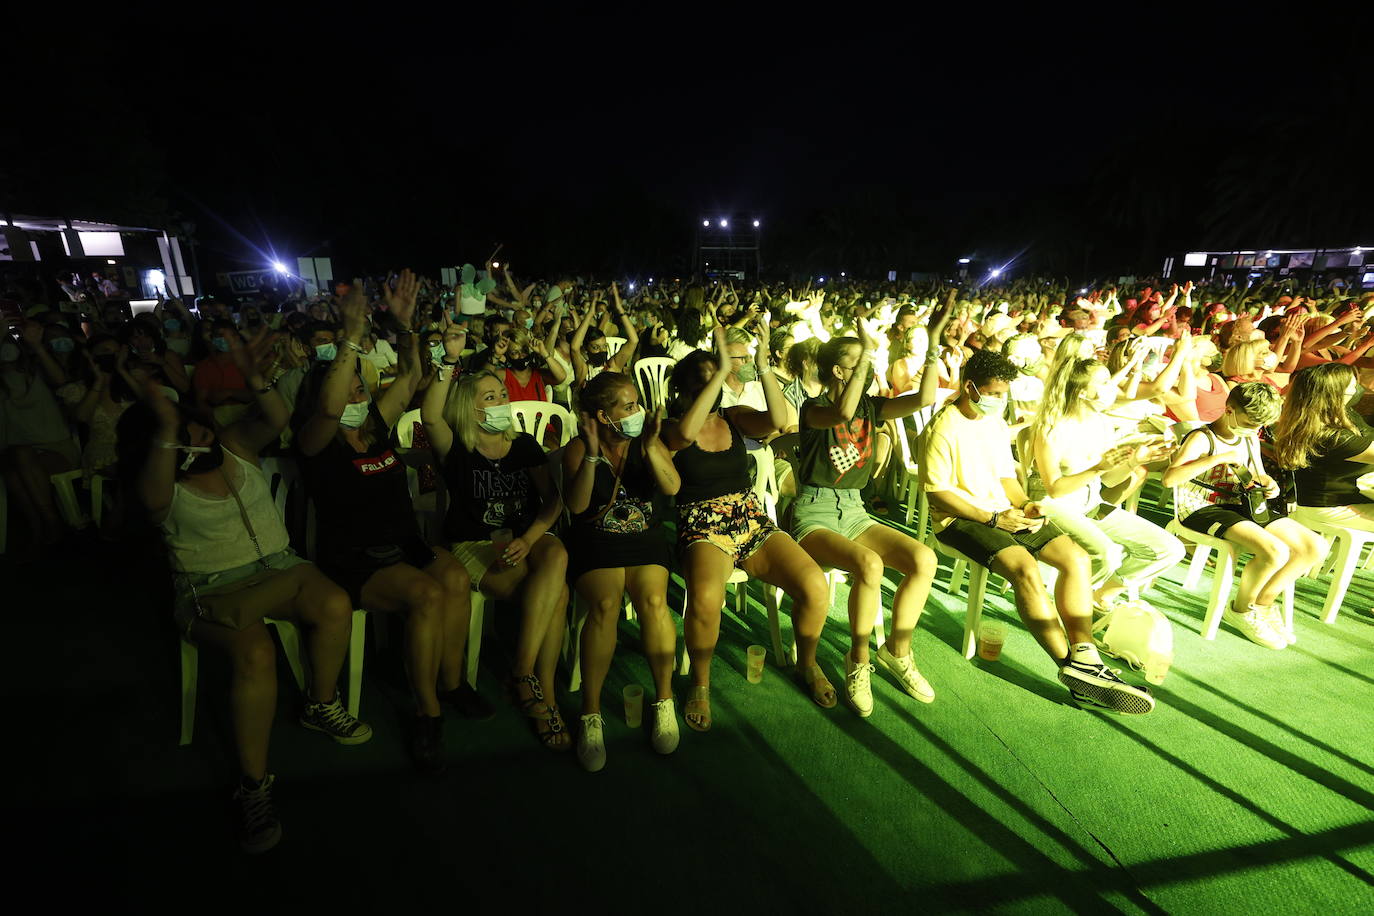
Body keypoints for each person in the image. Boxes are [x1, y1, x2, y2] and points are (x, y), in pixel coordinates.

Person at [115, 329, 370, 854]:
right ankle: (253, 786)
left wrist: (254, 375)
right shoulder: (160, 481)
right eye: (187, 433)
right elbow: (151, 499)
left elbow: (276, 419)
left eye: (198, 426)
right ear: (164, 442)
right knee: (255, 653)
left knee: (334, 601)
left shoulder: (233, 446)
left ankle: (320, 704)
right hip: (209, 587)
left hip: (276, 568)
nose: (201, 436)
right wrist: (167, 430)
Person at [294, 274, 475, 774]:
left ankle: (452, 682)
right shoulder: (315, 440)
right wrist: (350, 336)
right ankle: (427, 710)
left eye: (359, 387)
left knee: (455, 578)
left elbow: (414, 375)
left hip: (402, 543)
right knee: (427, 595)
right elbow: (330, 406)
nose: (358, 394)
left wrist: (403, 326)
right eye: (350, 387)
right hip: (355, 557)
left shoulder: (372, 425)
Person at [921, 348, 1155, 714]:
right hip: (959, 518)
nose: (1000, 401)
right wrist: (993, 519)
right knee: (1025, 569)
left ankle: (1085, 656)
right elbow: (938, 492)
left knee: (1075, 559)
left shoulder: (995, 423)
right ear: (970, 388)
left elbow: (1004, 477)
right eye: (994, 394)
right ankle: (1072, 668)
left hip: (1003, 510)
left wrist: (1025, 505)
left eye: (1003, 394)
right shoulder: (942, 427)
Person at [662, 320, 835, 731]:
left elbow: (780, 418)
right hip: (702, 524)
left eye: (720, 377)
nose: (719, 384)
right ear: (687, 392)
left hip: (751, 517)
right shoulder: (670, 427)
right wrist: (721, 369)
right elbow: (687, 434)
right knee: (705, 598)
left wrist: (761, 364)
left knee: (813, 583)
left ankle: (806, 664)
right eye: (708, 379)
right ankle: (700, 682)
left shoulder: (734, 417)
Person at [422, 340, 572, 751]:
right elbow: (428, 414)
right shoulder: (456, 447)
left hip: (524, 538)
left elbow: (553, 500)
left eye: (503, 394)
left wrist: (528, 539)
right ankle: (547, 699)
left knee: (556, 553)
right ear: (470, 409)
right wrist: (448, 360)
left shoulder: (522, 443)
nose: (503, 401)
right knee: (556, 595)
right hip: (474, 543)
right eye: (491, 397)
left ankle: (522, 674)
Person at [793, 317, 942, 717]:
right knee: (869, 565)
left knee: (924, 559)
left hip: (854, 510)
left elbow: (925, 398)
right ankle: (858, 660)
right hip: (814, 513)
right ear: (838, 371)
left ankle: (897, 651)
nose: (869, 364)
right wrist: (870, 351)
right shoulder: (815, 409)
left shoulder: (873, 408)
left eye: (869, 359)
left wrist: (935, 339)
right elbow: (842, 413)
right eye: (858, 360)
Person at [562, 371, 680, 771]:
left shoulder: (646, 441)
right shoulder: (578, 449)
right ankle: (590, 713)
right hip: (596, 540)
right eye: (627, 407)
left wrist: (649, 447)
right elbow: (577, 507)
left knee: (652, 599)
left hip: (644, 537)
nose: (637, 412)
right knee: (607, 603)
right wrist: (594, 454)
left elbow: (672, 487)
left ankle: (664, 700)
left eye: (636, 404)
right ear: (602, 415)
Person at [1162, 382, 1325, 649]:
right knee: (1274, 552)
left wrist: (1267, 483)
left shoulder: (1249, 435)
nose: (1252, 430)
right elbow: (1170, 480)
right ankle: (1240, 609)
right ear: (1229, 411)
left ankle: (1263, 604)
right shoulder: (1202, 438)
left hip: (1241, 502)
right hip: (1201, 505)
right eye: (1249, 422)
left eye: (1257, 426)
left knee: (1314, 547)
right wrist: (1216, 459)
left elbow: (1256, 472)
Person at [1026, 357, 1185, 610]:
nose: (1112, 386)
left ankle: (1097, 595)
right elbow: (1055, 490)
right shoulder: (1052, 428)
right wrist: (1097, 467)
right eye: (1103, 381)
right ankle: (1069, 607)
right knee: (1107, 554)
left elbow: (1110, 480)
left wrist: (1134, 461)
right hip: (1051, 506)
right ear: (1081, 391)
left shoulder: (1100, 423)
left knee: (1170, 549)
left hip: (1090, 504)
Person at [1272, 362, 1374, 530]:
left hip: (1347, 496)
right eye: (1351, 382)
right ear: (1337, 391)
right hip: (1332, 507)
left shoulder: (1339, 415)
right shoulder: (1329, 436)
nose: (1356, 384)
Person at [571, 282, 638, 389]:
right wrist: (590, 313)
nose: (601, 350)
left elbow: (634, 340)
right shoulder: (584, 369)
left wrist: (620, 309)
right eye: (595, 347)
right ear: (586, 348)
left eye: (604, 346)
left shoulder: (613, 365)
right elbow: (574, 348)